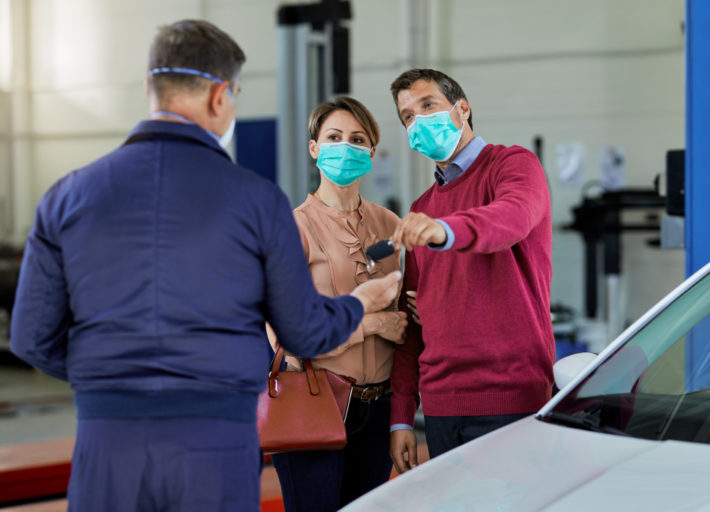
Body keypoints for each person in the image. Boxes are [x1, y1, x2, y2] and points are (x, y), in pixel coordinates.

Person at [10, 20, 400, 512]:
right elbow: (301, 333)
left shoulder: (67, 195)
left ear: (152, 88)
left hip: (108, 441)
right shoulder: (257, 201)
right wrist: (361, 304)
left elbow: (30, 338)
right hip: (216, 441)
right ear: (219, 97)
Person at [387, 68, 555, 472]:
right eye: (408, 116)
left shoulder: (512, 165)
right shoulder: (420, 209)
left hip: (512, 398)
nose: (418, 120)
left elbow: (511, 218)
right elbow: (413, 330)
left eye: (428, 106)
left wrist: (443, 229)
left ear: (462, 109)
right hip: (442, 408)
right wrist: (401, 417)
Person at [269, 97, 406, 512]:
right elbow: (293, 340)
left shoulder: (390, 224)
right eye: (333, 137)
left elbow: (404, 322)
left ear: (371, 152)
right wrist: (374, 326)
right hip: (316, 400)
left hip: (378, 408)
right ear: (314, 148)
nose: (345, 147)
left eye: (357, 139)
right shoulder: (292, 228)